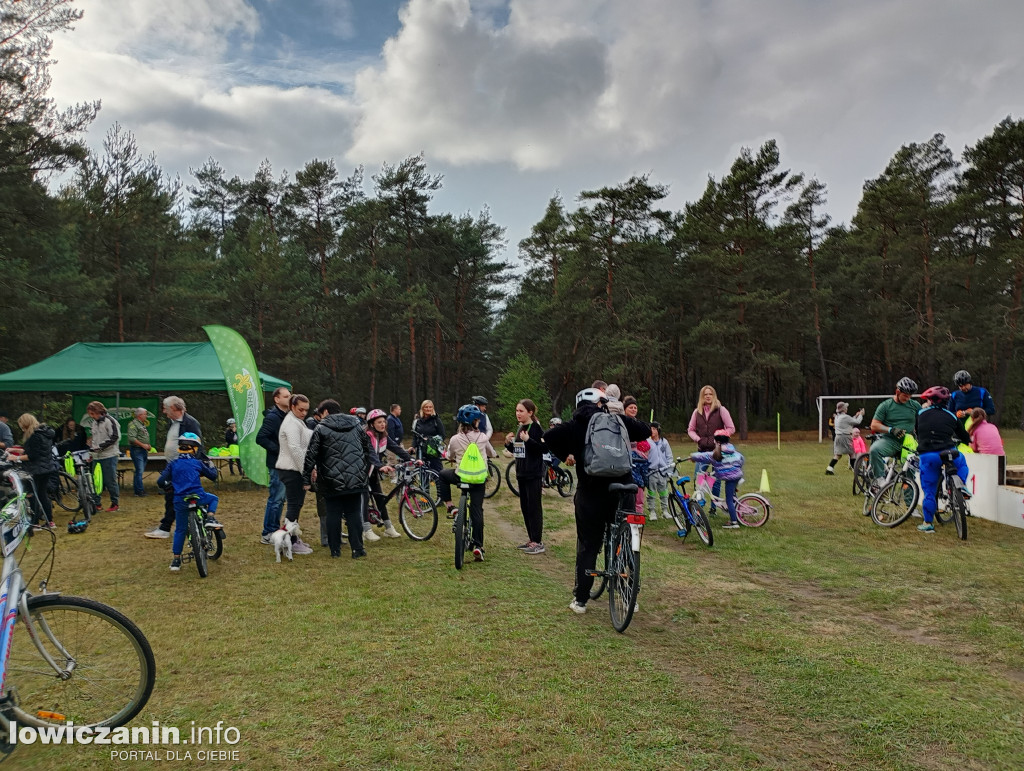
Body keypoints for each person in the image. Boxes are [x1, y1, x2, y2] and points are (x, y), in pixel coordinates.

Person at [544, 388, 651, 615]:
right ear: (602, 403)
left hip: (591, 493)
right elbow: (644, 431)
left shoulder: (574, 426)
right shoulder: (617, 420)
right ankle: (629, 593)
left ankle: (581, 600)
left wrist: (567, 456)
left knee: (589, 544)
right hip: (623, 490)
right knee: (625, 544)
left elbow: (549, 437)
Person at [302, 399, 371, 559]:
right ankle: (358, 549)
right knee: (354, 513)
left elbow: (311, 455)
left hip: (330, 479)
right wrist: (362, 469)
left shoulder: (320, 428)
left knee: (333, 513)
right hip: (355, 478)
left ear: (325, 412)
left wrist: (306, 479)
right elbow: (367, 448)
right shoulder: (357, 425)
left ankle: (335, 549)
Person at [438, 404, 497, 562]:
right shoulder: (483, 438)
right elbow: (492, 452)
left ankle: (450, 506)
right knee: (477, 510)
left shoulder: (455, 439)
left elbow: (449, 454)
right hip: (478, 479)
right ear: (476, 422)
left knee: (442, 475)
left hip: (461, 476)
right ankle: (478, 546)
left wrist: (451, 457)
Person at [157, 432, 221, 571]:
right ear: (195, 449)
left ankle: (176, 560)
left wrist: (169, 486)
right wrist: (209, 466)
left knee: (180, 529)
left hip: (180, 499)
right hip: (198, 497)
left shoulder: (173, 464)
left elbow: (160, 481)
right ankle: (210, 517)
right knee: (214, 498)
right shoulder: (197, 463)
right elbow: (213, 476)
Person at [915, 386, 971, 534]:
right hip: (949, 452)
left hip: (928, 455)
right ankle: (961, 486)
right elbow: (965, 437)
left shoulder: (920, 413)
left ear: (930, 400)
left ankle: (928, 523)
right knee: (962, 462)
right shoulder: (952, 416)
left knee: (929, 491)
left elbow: (917, 432)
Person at [145, 396, 202, 539]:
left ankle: (166, 528)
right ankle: (175, 526)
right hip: (173, 465)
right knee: (172, 496)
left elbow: (197, 446)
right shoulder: (173, 422)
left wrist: (190, 466)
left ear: (175, 408)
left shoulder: (190, 423)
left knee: (174, 496)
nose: (164, 412)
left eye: (166, 408)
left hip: (182, 467)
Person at [275, 394, 315, 555]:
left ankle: (291, 539)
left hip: (294, 469)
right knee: (293, 505)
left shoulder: (297, 421)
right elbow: (296, 450)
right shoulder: (291, 423)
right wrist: (306, 473)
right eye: (300, 409)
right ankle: (288, 542)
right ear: (292, 407)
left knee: (296, 505)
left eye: (306, 410)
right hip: (291, 470)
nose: (304, 413)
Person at [504, 399, 545, 554]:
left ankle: (538, 541)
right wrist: (509, 443)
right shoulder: (520, 427)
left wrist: (529, 440)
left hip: (533, 474)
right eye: (516, 411)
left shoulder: (535, 428)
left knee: (534, 508)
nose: (518, 414)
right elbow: (518, 451)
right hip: (521, 473)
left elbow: (543, 449)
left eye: (521, 411)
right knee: (525, 508)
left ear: (530, 412)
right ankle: (531, 539)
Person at [365, 408, 411, 539]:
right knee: (364, 499)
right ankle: (366, 530)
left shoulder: (383, 436)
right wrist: (381, 466)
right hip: (362, 472)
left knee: (380, 499)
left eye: (384, 422)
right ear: (372, 424)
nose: (382, 424)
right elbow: (371, 454)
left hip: (374, 471)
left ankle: (388, 527)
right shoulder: (367, 436)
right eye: (379, 422)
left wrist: (411, 459)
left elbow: (396, 448)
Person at [687, 386, 735, 505]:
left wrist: (721, 437)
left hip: (717, 451)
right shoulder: (697, 412)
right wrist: (698, 439)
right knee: (699, 478)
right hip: (702, 451)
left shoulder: (721, 410)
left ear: (714, 396)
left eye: (710, 394)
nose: (708, 396)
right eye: (705, 394)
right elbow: (691, 429)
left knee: (716, 480)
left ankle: (714, 507)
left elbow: (731, 428)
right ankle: (698, 506)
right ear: (702, 397)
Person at [869, 378, 921, 486]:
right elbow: (874, 425)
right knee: (874, 450)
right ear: (897, 392)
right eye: (905, 395)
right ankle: (880, 480)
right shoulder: (886, 406)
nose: (908, 398)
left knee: (911, 472)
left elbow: (923, 421)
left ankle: (910, 500)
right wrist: (891, 429)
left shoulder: (915, 405)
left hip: (908, 442)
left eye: (910, 396)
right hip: (890, 441)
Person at [256, 386, 291, 544]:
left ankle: (275, 529)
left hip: (286, 463)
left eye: (290, 396)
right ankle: (268, 532)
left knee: (281, 498)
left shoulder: (288, 415)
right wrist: (279, 450)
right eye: (285, 396)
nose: (289, 398)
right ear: (277, 399)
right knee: (276, 498)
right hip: (277, 463)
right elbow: (261, 438)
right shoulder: (272, 417)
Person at [690, 430, 745, 529]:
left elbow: (703, 456)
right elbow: (742, 459)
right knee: (732, 496)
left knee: (728, 499)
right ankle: (737, 512)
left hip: (731, 478)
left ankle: (734, 522)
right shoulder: (734, 451)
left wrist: (692, 457)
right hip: (737, 476)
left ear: (717, 441)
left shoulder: (715, 454)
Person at [13, 413, 56, 528]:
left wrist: (15, 457)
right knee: (42, 495)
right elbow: (35, 451)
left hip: (35, 470)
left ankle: (34, 522)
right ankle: (50, 521)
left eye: (21, 425)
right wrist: (14, 450)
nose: (21, 428)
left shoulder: (33, 436)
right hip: (46, 468)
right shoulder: (43, 433)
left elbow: (31, 456)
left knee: (33, 496)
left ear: (25, 424)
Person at [86, 401, 121, 512]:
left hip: (109, 455)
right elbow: (94, 439)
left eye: (92, 413)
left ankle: (114, 503)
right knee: (96, 481)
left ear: (98, 411)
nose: (91, 416)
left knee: (110, 480)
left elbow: (115, 437)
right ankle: (97, 503)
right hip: (97, 456)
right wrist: (92, 452)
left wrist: (100, 447)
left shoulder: (110, 421)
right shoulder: (94, 423)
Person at [623, 396, 648, 515]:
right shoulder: (622, 421)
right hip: (626, 456)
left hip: (638, 460)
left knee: (639, 487)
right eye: (630, 407)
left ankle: (638, 514)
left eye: (635, 407)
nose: (633, 409)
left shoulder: (638, 424)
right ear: (625, 409)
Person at [411, 400, 446, 480]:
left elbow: (442, 435)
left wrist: (430, 440)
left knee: (438, 474)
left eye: (430, 407)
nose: (428, 409)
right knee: (423, 476)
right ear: (422, 408)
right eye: (426, 407)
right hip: (421, 452)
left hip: (433, 451)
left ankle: (440, 491)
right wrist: (412, 446)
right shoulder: (417, 421)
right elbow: (415, 436)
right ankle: (425, 492)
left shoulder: (436, 420)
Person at [827, 402, 865, 474]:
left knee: (838, 454)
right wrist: (861, 415)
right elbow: (857, 422)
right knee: (852, 453)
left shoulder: (838, 417)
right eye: (846, 407)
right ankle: (856, 470)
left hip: (838, 437)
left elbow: (849, 421)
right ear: (844, 409)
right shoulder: (845, 417)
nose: (847, 408)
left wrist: (855, 415)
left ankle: (829, 469)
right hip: (845, 436)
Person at [645, 422, 673, 520]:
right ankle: (652, 511)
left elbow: (669, 456)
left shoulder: (664, 442)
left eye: (654, 429)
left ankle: (665, 510)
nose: (652, 431)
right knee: (651, 492)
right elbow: (645, 456)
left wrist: (669, 469)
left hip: (663, 471)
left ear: (658, 430)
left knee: (664, 492)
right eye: (650, 429)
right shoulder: (647, 442)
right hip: (651, 472)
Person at [126, 407, 151, 497]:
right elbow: (132, 438)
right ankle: (140, 491)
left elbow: (143, 436)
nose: (146, 416)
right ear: (140, 415)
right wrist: (143, 445)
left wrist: (147, 445)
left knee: (139, 471)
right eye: (145, 414)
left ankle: (138, 490)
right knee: (139, 471)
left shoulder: (141, 424)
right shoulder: (133, 424)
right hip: (137, 450)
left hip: (143, 450)